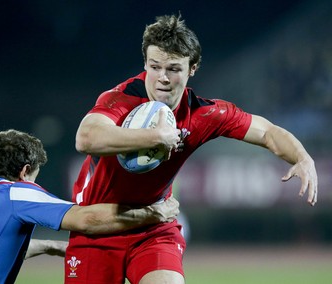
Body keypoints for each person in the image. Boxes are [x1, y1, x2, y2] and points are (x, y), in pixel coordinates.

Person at [66, 14, 318, 284]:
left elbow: (267, 131)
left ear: (192, 68)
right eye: (155, 66)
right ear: (145, 64)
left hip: (154, 224)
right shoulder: (121, 97)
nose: (162, 77)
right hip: (98, 224)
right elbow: (86, 138)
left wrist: (302, 157)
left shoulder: (203, 113)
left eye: (173, 68)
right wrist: (154, 137)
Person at [0, 129, 180, 284]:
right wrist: (154, 213)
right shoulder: (16, 192)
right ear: (25, 171)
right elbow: (86, 218)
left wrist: (51, 247)